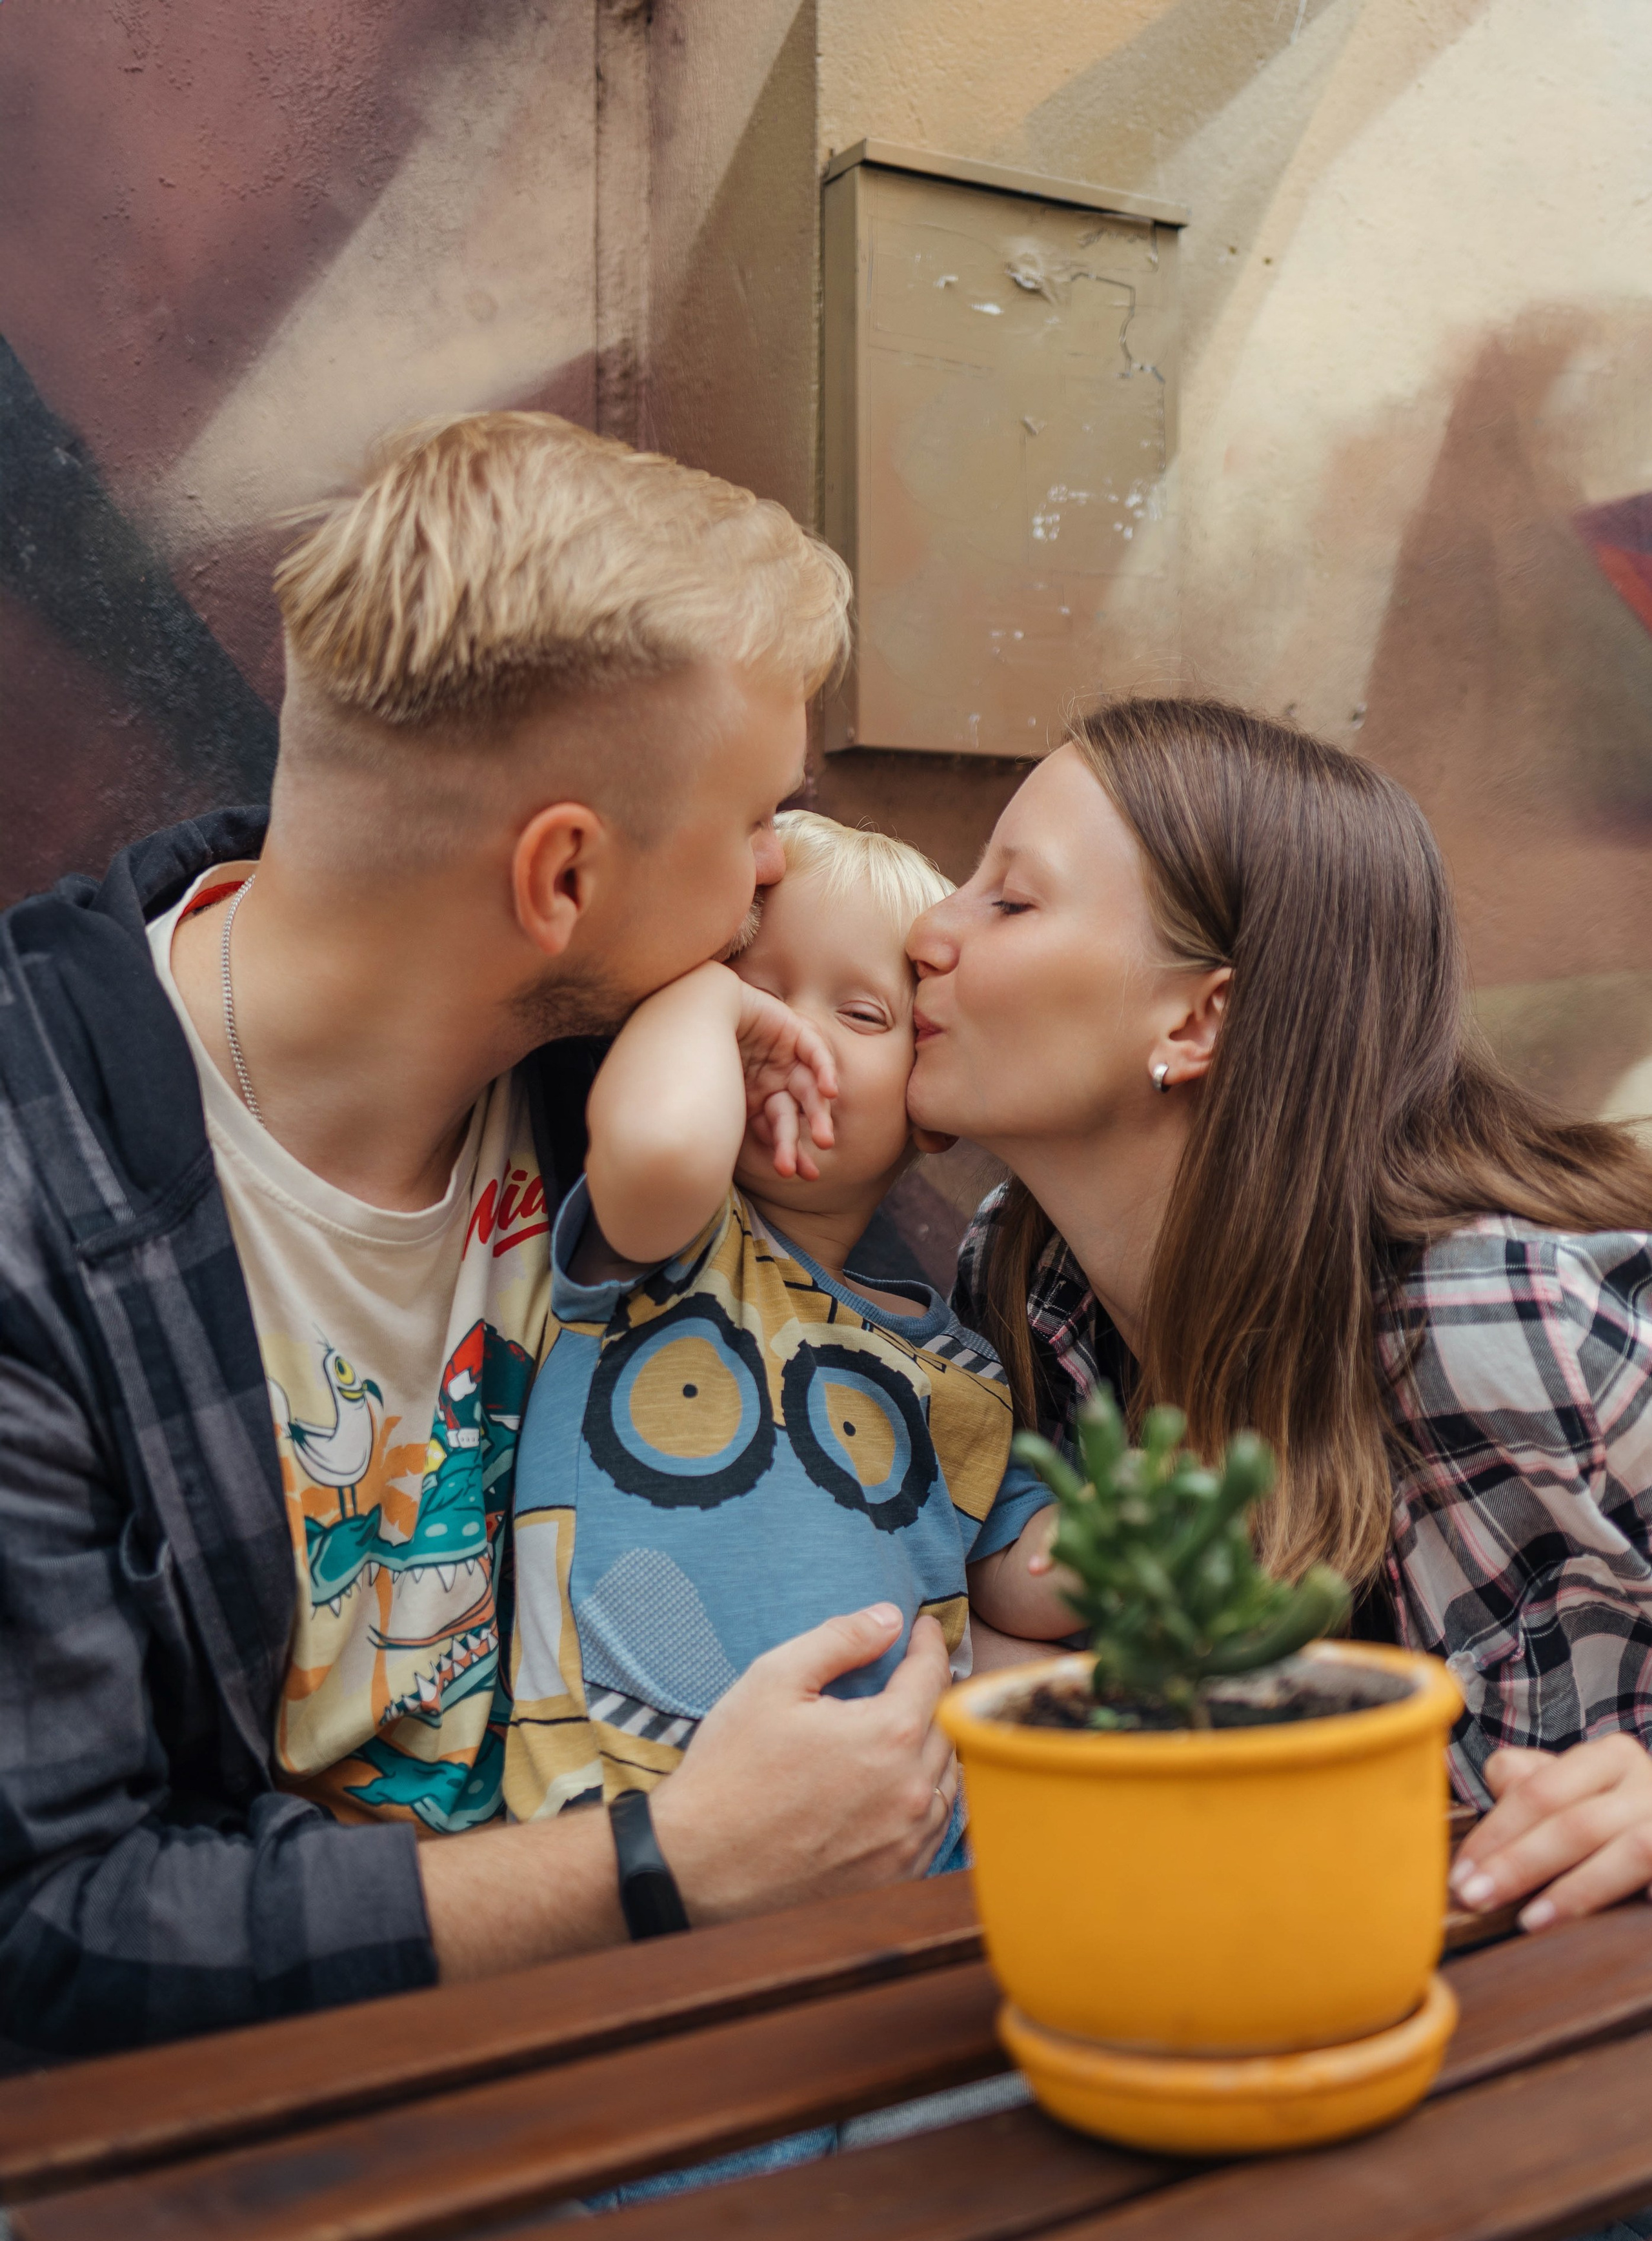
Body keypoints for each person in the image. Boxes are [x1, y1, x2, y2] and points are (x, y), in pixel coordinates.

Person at [0, 411, 962, 2066]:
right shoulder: (37, 1191)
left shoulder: (633, 1071)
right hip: (241, 2146)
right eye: (755, 828)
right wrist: (673, 1863)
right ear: (562, 875)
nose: (766, 884)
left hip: (683, 2050)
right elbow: (51, 1936)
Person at [907, 695, 1652, 1938]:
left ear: (1197, 1019)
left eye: (1009, 898)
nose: (927, 930)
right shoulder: (1027, 1291)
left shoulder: (1497, 1320)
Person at [503, 811, 1067, 1843]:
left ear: (927, 1097)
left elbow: (1030, 1585)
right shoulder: (668, 1244)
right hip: (625, 1834)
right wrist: (709, 1002)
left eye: (858, 1014)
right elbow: (666, 1142)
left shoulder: (956, 1369)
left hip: (892, 1843)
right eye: (757, 989)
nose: (792, 1036)